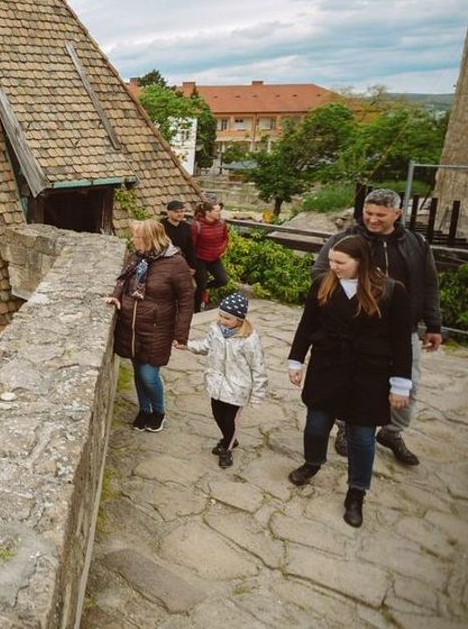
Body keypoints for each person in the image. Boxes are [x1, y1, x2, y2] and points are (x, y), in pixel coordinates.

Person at [286, 235, 412, 528]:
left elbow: (401, 342)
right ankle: (312, 462)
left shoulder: (392, 292)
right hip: (327, 366)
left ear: (361, 262)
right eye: (331, 260)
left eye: (340, 262)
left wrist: (400, 383)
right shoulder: (323, 284)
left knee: (362, 437)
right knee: (316, 425)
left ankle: (357, 492)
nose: (333, 267)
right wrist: (296, 360)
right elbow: (307, 324)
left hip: (368, 374)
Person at [315, 188, 441, 466]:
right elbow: (320, 273)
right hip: (356, 328)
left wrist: (434, 323)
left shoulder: (416, 243)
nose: (372, 220)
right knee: (349, 379)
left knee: (409, 383)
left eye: (380, 215)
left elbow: (429, 284)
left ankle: (391, 432)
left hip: (403, 328)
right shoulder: (345, 239)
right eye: (368, 213)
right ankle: (346, 427)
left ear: (397, 213)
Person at [105, 219, 195, 432]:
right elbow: (123, 280)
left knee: (149, 376)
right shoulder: (138, 257)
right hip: (132, 327)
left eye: (136, 237)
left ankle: (159, 411)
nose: (132, 240)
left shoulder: (175, 263)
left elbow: (186, 300)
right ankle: (144, 410)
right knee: (138, 372)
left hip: (157, 328)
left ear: (148, 239)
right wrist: (116, 296)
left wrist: (181, 335)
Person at [185, 292, 268, 468]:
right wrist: (187, 345)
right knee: (217, 415)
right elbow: (206, 346)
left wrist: (257, 395)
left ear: (239, 320)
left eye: (227, 318)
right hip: (217, 384)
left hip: (237, 388)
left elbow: (258, 368)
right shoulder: (215, 330)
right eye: (221, 315)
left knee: (230, 420)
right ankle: (229, 439)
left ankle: (227, 448)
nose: (222, 320)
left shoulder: (249, 340)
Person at [191, 200, 230, 311]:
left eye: (219, 211)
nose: (219, 213)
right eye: (216, 211)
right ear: (208, 212)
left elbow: (225, 238)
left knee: (223, 280)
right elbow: (192, 244)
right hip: (200, 259)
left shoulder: (222, 223)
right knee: (201, 285)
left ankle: (202, 288)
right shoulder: (197, 225)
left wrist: (221, 249)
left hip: (214, 258)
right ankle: (196, 310)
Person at [160, 200, 197, 275]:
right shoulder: (160, 226)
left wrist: (192, 266)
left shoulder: (187, 227)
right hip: (165, 264)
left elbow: (190, 248)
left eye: (182, 211)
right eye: (176, 212)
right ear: (168, 212)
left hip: (182, 263)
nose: (180, 214)